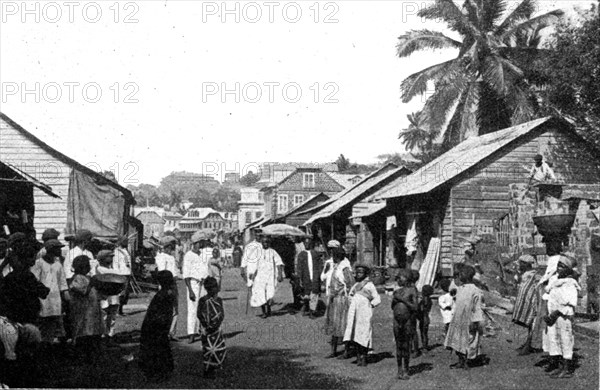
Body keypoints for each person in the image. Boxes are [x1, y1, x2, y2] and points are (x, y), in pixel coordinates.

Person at [0, 235, 49, 387]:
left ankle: (15, 378)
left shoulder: (9, 278)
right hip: (28, 319)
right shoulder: (28, 276)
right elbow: (44, 292)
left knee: (13, 352)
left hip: (12, 319)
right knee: (29, 351)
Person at [542, 255, 579, 378]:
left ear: (568, 270)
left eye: (562, 266)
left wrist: (556, 313)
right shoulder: (555, 281)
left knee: (565, 340)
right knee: (554, 339)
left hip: (563, 317)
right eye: (558, 265)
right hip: (552, 317)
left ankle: (567, 368)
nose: (558, 268)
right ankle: (558, 366)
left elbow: (569, 304)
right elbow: (548, 295)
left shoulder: (570, 284)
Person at [444, 265, 484, 370]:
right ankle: (460, 361)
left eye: (460, 274)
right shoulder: (460, 288)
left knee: (468, 341)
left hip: (469, 320)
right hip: (458, 319)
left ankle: (466, 362)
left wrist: (475, 322)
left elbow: (477, 308)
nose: (458, 276)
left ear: (465, 276)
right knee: (458, 341)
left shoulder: (475, 291)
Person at [139, 270, 176, 382]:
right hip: (158, 326)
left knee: (156, 349)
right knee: (160, 349)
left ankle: (157, 372)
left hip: (155, 326)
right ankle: (161, 372)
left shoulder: (162, 295)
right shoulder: (166, 294)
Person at [30, 239, 70, 344]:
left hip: (56, 300)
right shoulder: (38, 263)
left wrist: (65, 297)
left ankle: (49, 345)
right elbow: (35, 281)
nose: (60, 251)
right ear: (51, 249)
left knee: (53, 324)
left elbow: (62, 283)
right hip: (43, 299)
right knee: (43, 324)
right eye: (57, 248)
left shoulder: (58, 264)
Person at [343, 263, 381, 367]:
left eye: (361, 272)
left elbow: (377, 298)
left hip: (364, 313)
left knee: (364, 334)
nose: (358, 275)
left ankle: (364, 356)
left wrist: (370, 305)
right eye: (357, 272)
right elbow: (350, 296)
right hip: (354, 314)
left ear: (366, 274)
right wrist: (352, 303)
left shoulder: (369, 285)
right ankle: (358, 356)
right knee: (355, 334)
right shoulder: (355, 286)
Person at [69, 255, 104, 363]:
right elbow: (83, 291)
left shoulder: (86, 277)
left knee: (92, 332)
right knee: (83, 334)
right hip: (83, 311)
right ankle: (82, 357)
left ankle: (92, 356)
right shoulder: (77, 278)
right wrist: (91, 284)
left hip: (92, 310)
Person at [324, 246, 354, 359]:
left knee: (343, 325)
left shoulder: (345, 268)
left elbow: (351, 284)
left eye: (334, 256)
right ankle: (333, 350)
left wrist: (346, 296)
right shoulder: (336, 266)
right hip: (334, 300)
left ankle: (346, 351)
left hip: (342, 300)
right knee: (334, 325)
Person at [512, 254, 543, 355]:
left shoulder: (534, 275)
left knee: (532, 323)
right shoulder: (525, 274)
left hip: (532, 301)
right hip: (526, 301)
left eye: (521, 263)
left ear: (526, 264)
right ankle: (527, 344)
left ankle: (528, 346)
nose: (519, 265)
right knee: (529, 324)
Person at [198, 276, 226, 379]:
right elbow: (199, 314)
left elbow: (221, 314)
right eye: (213, 288)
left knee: (218, 348)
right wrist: (206, 326)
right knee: (208, 350)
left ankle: (216, 367)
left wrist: (216, 324)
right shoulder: (202, 300)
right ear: (208, 289)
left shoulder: (219, 300)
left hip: (216, 329)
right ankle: (207, 369)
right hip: (206, 330)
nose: (215, 290)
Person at [182, 235, 209, 343]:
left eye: (202, 243)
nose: (201, 245)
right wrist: (191, 291)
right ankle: (191, 334)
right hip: (193, 283)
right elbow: (186, 274)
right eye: (199, 243)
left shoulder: (202, 255)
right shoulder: (188, 255)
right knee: (192, 309)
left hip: (202, 283)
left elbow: (205, 269)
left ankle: (201, 331)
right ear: (195, 243)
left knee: (202, 308)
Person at [392, 269, 418, 380]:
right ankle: (399, 369)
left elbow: (415, 307)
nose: (398, 279)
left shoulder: (412, 290)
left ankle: (406, 369)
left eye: (400, 277)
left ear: (407, 278)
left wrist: (402, 300)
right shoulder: (397, 291)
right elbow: (393, 306)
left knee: (406, 346)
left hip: (408, 321)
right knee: (398, 345)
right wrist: (395, 299)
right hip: (397, 321)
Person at [249, 237, 284, 318]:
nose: (265, 244)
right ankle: (264, 312)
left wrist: (280, 274)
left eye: (267, 242)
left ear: (269, 243)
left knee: (269, 294)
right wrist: (252, 274)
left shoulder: (273, 252)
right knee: (260, 294)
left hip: (270, 276)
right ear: (261, 243)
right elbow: (254, 264)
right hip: (260, 276)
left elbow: (279, 263)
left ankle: (268, 309)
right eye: (264, 242)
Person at [156, 238, 179, 341]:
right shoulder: (161, 257)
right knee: (166, 309)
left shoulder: (171, 258)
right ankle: (165, 332)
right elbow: (162, 273)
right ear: (167, 247)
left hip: (173, 283)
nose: (171, 249)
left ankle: (171, 332)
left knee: (174, 310)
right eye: (170, 247)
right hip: (166, 285)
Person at [95, 250, 121, 343]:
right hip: (104, 296)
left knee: (112, 317)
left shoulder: (114, 270)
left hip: (114, 296)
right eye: (109, 257)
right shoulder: (98, 269)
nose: (111, 259)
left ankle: (110, 335)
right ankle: (103, 336)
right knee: (103, 316)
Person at [296, 237, 323, 318]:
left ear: (311, 244)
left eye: (308, 243)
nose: (307, 244)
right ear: (303, 244)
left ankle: (312, 312)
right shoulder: (301, 255)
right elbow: (299, 268)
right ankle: (305, 306)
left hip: (315, 277)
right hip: (306, 278)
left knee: (314, 294)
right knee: (306, 295)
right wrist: (299, 278)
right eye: (305, 243)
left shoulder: (315, 254)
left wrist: (320, 275)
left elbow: (319, 265)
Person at [113, 236, 132, 316]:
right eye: (125, 241)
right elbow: (115, 264)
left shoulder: (126, 251)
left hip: (127, 273)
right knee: (120, 293)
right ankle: (117, 311)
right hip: (121, 274)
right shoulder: (116, 252)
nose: (127, 243)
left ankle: (120, 310)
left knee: (125, 293)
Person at [416, 284, 434, 353]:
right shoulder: (429, 300)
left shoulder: (424, 300)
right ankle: (425, 346)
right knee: (425, 333)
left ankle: (425, 347)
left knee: (423, 333)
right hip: (426, 318)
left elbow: (422, 309)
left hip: (423, 318)